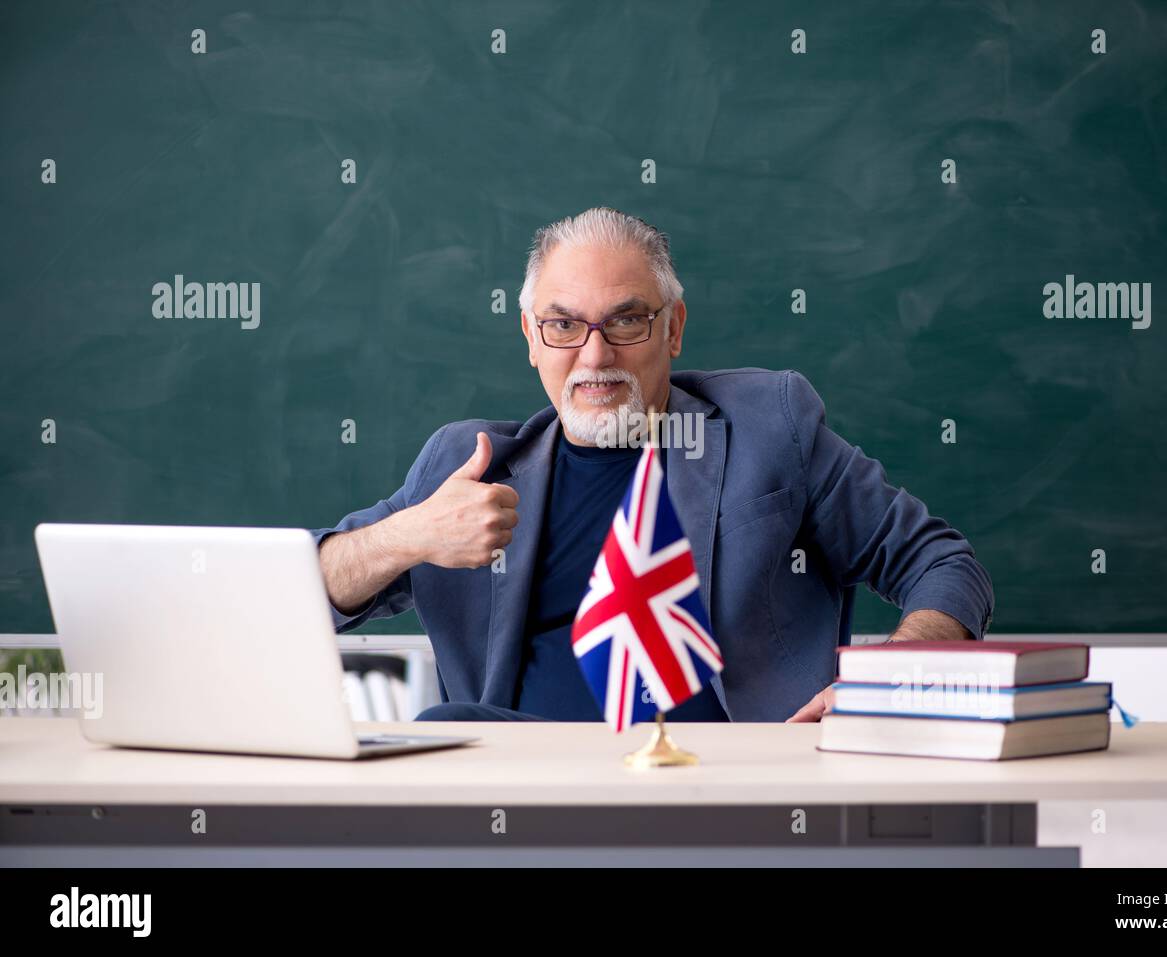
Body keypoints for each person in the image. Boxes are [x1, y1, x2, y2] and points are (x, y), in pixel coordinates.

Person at [311, 206, 994, 723]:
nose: (595, 354)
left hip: (732, 799)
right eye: (564, 325)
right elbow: (305, 591)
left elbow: (943, 563)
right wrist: (409, 534)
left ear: (672, 328)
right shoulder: (470, 466)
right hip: (522, 807)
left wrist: (885, 686)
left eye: (627, 321)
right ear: (531, 338)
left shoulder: (768, 425)